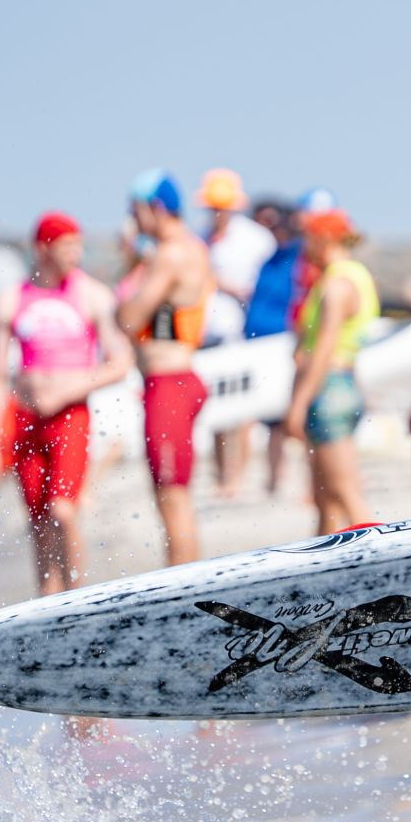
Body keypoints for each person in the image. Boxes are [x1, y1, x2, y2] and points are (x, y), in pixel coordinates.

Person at [0, 213, 133, 595]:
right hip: (27, 418)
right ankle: (47, 600)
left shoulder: (92, 295)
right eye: (68, 247)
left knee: (63, 511)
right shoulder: (11, 301)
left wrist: (70, 388)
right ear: (42, 248)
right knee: (38, 521)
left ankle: (76, 595)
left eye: (79, 246)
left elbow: (121, 362)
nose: (76, 254)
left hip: (70, 417)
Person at [117, 171, 214, 565]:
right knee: (170, 495)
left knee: (172, 498)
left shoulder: (170, 254)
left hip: (169, 383)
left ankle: (185, 588)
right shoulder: (188, 249)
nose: (131, 219)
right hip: (174, 380)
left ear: (155, 208)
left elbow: (129, 318)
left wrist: (133, 268)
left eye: (135, 210)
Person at [283, 208, 378, 534]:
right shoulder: (353, 276)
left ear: (322, 239)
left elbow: (323, 349)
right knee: (325, 498)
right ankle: (324, 559)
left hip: (329, 389)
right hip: (342, 384)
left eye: (307, 238)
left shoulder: (337, 284)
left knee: (346, 493)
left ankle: (389, 557)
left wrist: (298, 404)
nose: (303, 246)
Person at [197, 168, 277, 497]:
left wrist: (229, 287)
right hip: (207, 333)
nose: (216, 214)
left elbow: (266, 287)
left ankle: (237, 476)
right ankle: (222, 474)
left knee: (243, 408)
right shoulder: (202, 238)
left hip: (242, 333)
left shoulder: (256, 240)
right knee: (215, 407)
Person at [243, 197, 303, 496]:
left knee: (291, 414)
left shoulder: (299, 257)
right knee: (270, 419)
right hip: (259, 346)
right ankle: (274, 478)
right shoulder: (270, 258)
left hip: (284, 345)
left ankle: (303, 482)